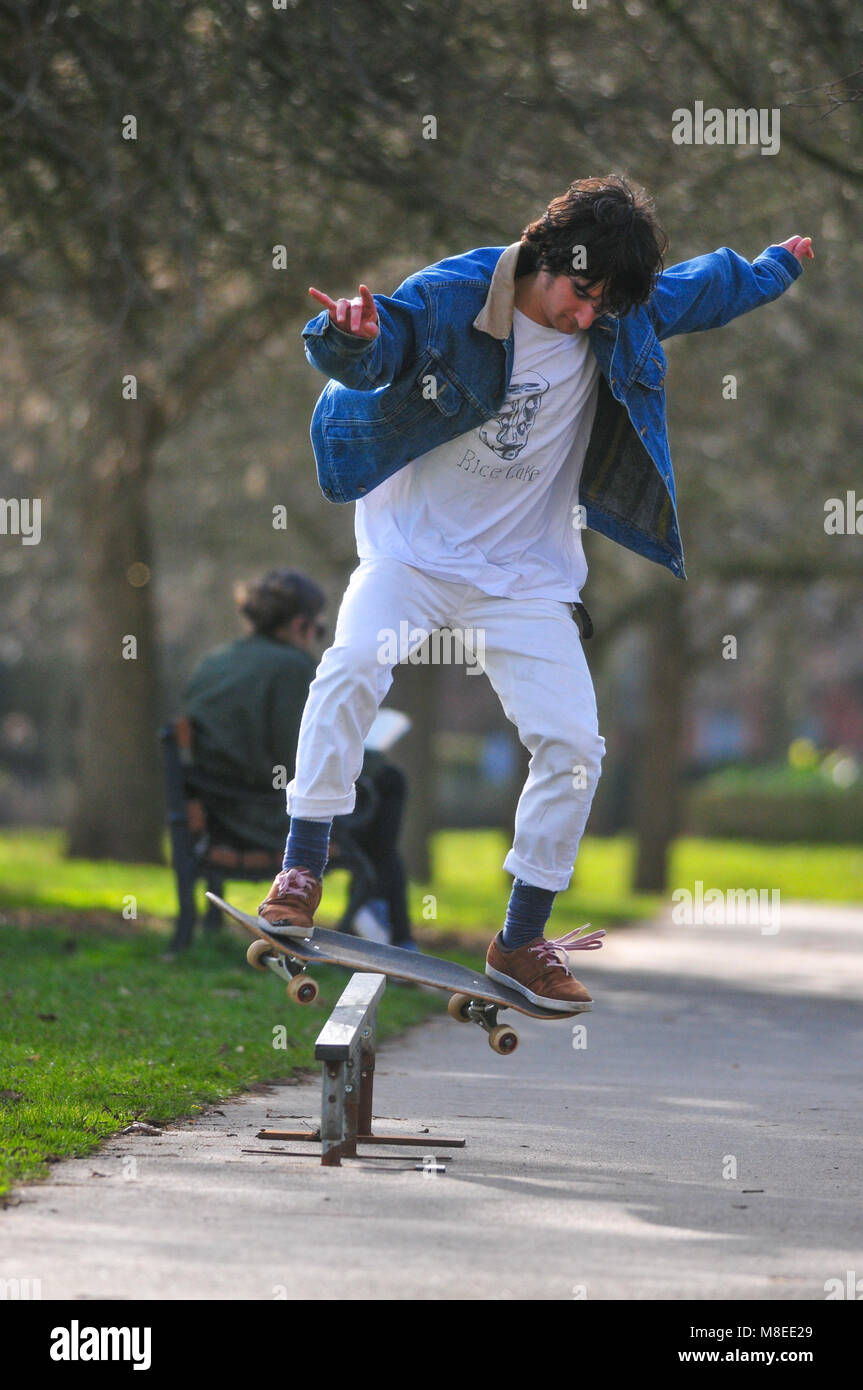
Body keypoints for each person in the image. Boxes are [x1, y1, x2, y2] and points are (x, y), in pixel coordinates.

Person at [258, 174, 813, 1010]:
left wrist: (773, 267)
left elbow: (702, 291)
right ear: (545, 254)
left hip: (525, 577)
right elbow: (381, 346)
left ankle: (520, 940)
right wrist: (346, 341)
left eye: (605, 306)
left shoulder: (616, 312)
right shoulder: (454, 293)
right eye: (579, 293)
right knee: (349, 668)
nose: (585, 316)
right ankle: (303, 864)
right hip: (413, 553)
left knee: (573, 747)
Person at [183, 569, 416, 946]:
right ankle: (387, 921)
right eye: (319, 631)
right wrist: (371, 759)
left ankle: (377, 910)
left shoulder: (214, 661)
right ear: (300, 624)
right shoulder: (291, 668)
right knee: (389, 784)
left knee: (377, 791)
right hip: (263, 817)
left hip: (218, 814)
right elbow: (306, 753)